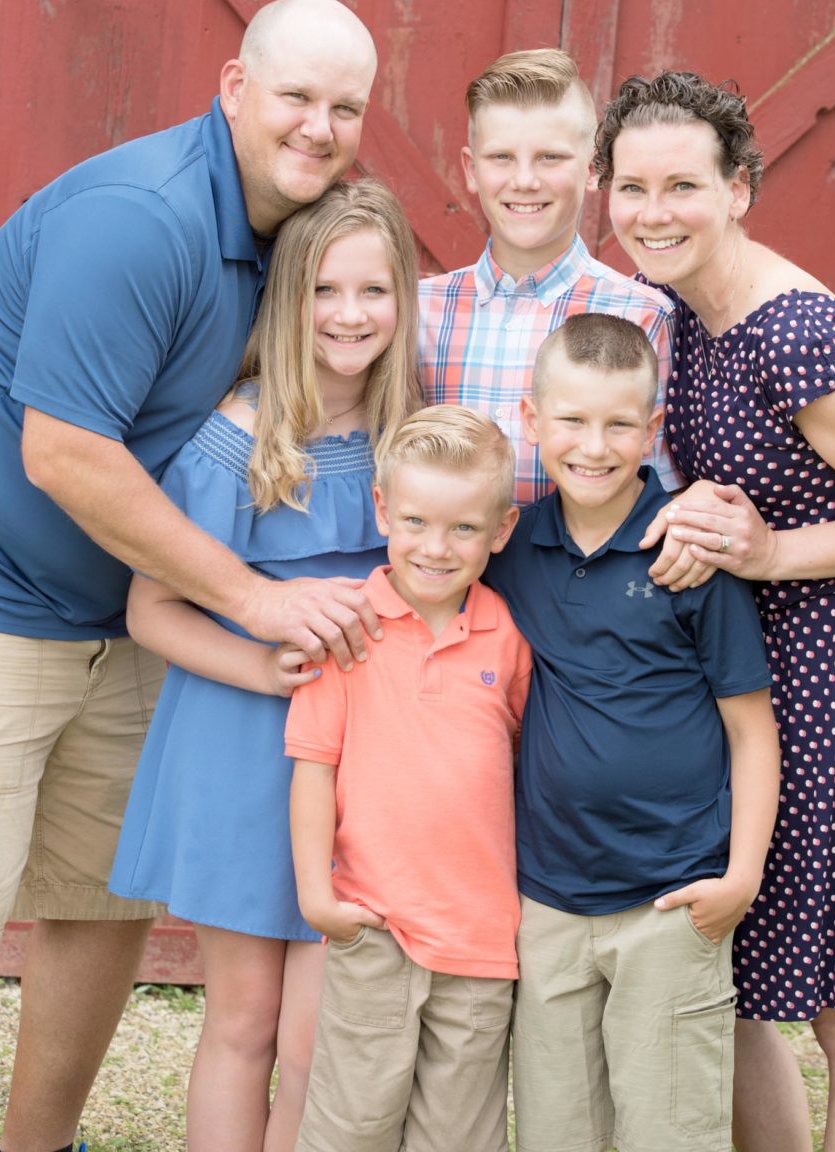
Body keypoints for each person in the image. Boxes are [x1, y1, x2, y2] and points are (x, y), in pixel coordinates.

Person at [0, 0, 385, 1152]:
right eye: (295, 96)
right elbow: (61, 449)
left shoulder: (297, 242)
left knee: (97, 902)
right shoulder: (141, 219)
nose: (317, 125)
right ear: (232, 87)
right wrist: (254, 599)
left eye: (344, 106)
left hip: (123, 607)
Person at [596, 70, 835, 1152]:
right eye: (631, 187)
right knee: (734, 985)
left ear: (740, 189)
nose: (653, 211)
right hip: (738, 687)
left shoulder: (792, 334)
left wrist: (768, 551)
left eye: (682, 185)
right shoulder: (673, 312)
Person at [109, 179, 421, 1151]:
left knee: (319, 1035)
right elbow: (151, 609)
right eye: (324, 291)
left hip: (367, 758)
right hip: (242, 750)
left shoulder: (410, 439)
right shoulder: (235, 442)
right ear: (288, 301)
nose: (349, 315)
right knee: (244, 1022)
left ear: (403, 303)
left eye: (373, 292)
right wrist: (268, 668)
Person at [482, 313, 779, 1152]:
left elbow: (752, 733)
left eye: (619, 424)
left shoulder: (684, 554)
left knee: (669, 1130)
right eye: (571, 420)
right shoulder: (512, 550)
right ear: (532, 420)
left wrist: (741, 877)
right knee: (556, 1131)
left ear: (652, 430)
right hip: (549, 900)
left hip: (671, 898)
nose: (594, 445)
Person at [285, 406, 530, 1152]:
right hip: (375, 924)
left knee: (456, 1136)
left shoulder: (507, 636)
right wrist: (316, 897)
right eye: (417, 521)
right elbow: (313, 768)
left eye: (462, 529)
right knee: (350, 1128)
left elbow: (519, 768)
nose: (435, 546)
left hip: (481, 939)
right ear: (384, 508)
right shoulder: (349, 628)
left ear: (501, 531)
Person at [417, 46, 682, 505]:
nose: (524, 181)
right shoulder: (418, 310)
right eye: (501, 157)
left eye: (550, 158)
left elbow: (655, 488)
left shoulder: (643, 316)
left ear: (594, 168)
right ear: (470, 170)